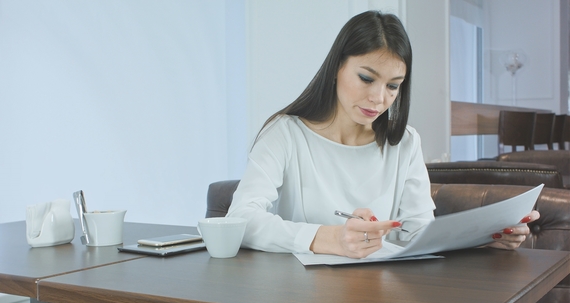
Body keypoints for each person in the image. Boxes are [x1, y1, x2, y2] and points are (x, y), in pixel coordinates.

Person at [226, 10, 539, 258]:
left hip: (379, 299)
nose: (379, 98)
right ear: (336, 67)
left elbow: (418, 235)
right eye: (366, 78)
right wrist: (330, 237)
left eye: (392, 86)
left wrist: (483, 240)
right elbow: (241, 220)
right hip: (298, 297)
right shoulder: (286, 134)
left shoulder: (404, 143)